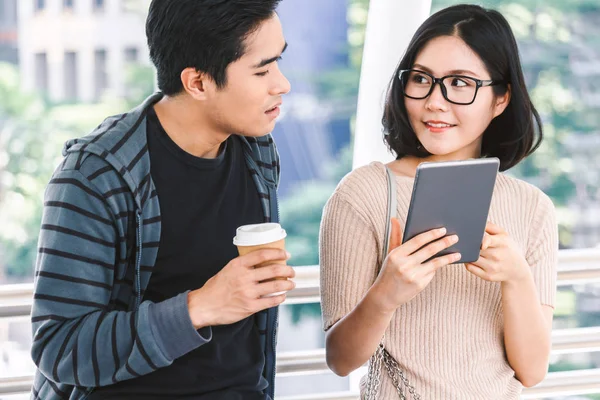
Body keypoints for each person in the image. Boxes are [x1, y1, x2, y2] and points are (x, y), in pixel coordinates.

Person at [30, 0, 293, 399]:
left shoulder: (257, 151)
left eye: (278, 62)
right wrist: (200, 307)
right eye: (262, 70)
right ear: (198, 83)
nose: (282, 84)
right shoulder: (96, 175)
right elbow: (60, 347)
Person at [319, 4, 557, 399]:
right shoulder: (363, 194)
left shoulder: (533, 208)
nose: (435, 101)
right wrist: (386, 292)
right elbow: (341, 360)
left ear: (501, 98)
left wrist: (516, 278)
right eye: (421, 79)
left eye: (460, 83)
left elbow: (531, 372)